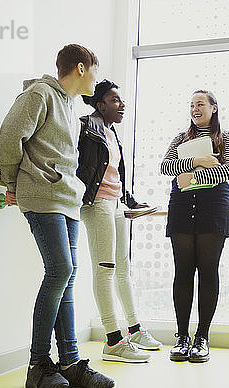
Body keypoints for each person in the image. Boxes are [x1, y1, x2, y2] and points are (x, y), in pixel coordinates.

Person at [0, 44, 115, 388]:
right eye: (95, 69)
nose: (96, 77)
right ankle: (37, 364)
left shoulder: (69, 104)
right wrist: (12, 181)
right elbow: (8, 139)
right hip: (42, 197)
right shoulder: (39, 94)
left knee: (67, 276)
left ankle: (70, 363)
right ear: (81, 68)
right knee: (60, 271)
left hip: (67, 200)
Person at [78, 79, 162, 363]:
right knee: (105, 270)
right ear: (100, 105)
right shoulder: (86, 127)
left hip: (115, 204)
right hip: (97, 204)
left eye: (121, 100)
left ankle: (135, 329)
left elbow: (114, 173)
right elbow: (81, 168)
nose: (121, 104)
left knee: (123, 268)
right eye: (114, 100)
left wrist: (130, 199)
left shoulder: (112, 133)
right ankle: (113, 340)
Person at [160, 90, 229, 363]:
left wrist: (190, 178)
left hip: (214, 206)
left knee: (208, 270)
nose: (195, 109)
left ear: (213, 108)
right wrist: (198, 160)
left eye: (200, 104)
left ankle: (201, 337)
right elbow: (166, 166)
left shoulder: (226, 137)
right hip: (181, 207)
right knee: (183, 271)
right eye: (191, 104)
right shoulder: (179, 139)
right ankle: (182, 337)